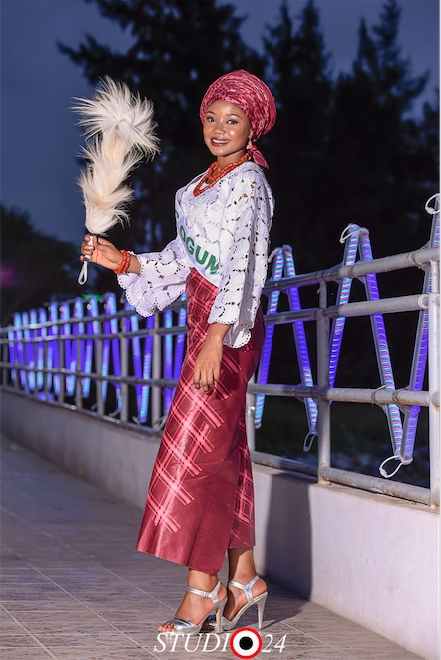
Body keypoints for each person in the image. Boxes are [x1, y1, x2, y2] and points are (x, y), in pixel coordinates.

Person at [80, 69, 276, 636]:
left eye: (232, 120)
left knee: (194, 457)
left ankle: (201, 589)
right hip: (199, 324)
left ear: (252, 128)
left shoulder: (249, 185)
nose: (219, 128)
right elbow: (182, 261)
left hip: (229, 331)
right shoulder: (194, 188)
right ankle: (244, 579)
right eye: (212, 117)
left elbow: (244, 264)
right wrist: (124, 262)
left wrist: (218, 336)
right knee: (225, 453)